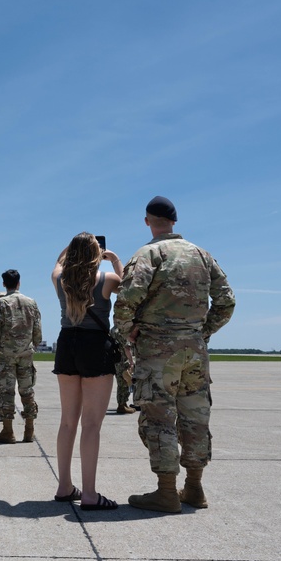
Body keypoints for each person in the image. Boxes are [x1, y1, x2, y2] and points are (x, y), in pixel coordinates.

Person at [114, 196, 235, 513]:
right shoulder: (201, 254)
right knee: (196, 418)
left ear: (147, 221)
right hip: (194, 351)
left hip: (157, 350)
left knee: (159, 420)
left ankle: (167, 492)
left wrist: (127, 333)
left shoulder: (149, 254)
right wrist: (201, 332)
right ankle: (194, 487)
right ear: (174, 222)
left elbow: (127, 299)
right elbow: (227, 302)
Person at [51, 233, 122, 510]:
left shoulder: (60, 279)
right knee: (91, 424)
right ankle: (90, 494)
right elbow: (130, 286)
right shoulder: (106, 279)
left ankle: (64, 486)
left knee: (68, 421)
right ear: (97, 253)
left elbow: (58, 263)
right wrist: (114, 258)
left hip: (67, 343)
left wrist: (74, 246)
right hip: (95, 346)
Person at [0, 270, 42, 444]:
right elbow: (37, 331)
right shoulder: (31, 302)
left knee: (6, 392)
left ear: (4, 284)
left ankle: (8, 431)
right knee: (27, 391)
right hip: (25, 353)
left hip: (6, 355)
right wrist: (33, 344)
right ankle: (29, 430)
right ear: (19, 282)